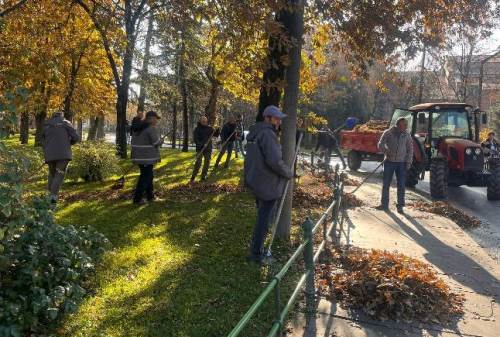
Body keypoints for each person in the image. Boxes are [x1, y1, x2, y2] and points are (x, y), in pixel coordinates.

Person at [244, 105, 293, 264]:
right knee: (264, 220)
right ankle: (257, 254)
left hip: (257, 180)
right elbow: (274, 161)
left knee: (262, 217)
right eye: (276, 118)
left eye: (279, 118)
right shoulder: (267, 134)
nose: (279, 121)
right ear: (268, 118)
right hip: (267, 183)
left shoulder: (256, 132)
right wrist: (288, 172)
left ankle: (256, 249)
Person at [42, 111, 80, 204]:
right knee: (59, 174)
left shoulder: (47, 124)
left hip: (50, 154)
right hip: (63, 154)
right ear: (61, 115)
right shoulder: (66, 123)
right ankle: (53, 198)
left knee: (52, 174)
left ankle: (48, 196)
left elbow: (42, 139)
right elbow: (76, 137)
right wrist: (69, 143)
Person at [376, 117, 413, 214]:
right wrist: (385, 151)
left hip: (401, 163)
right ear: (398, 125)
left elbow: (410, 150)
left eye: (406, 125)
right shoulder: (388, 133)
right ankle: (384, 204)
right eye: (404, 125)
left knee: (401, 185)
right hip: (389, 162)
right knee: (386, 184)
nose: (405, 127)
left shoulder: (407, 135)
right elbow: (380, 144)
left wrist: (408, 162)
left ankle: (400, 206)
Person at [130, 110, 164, 204]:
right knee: (145, 177)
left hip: (138, 156)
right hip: (146, 157)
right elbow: (156, 142)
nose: (157, 121)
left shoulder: (139, 127)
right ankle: (137, 199)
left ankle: (150, 196)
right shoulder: (150, 128)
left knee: (149, 176)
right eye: (156, 119)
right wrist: (161, 140)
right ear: (151, 118)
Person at [191, 116, 219, 182]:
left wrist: (217, 130)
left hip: (208, 149)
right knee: (198, 163)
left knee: (207, 162)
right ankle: (193, 177)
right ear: (200, 121)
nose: (204, 122)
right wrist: (202, 145)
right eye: (203, 120)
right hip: (200, 148)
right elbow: (196, 140)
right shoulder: (197, 129)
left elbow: (216, 135)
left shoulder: (209, 128)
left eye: (205, 121)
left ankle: (203, 177)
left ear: (206, 121)